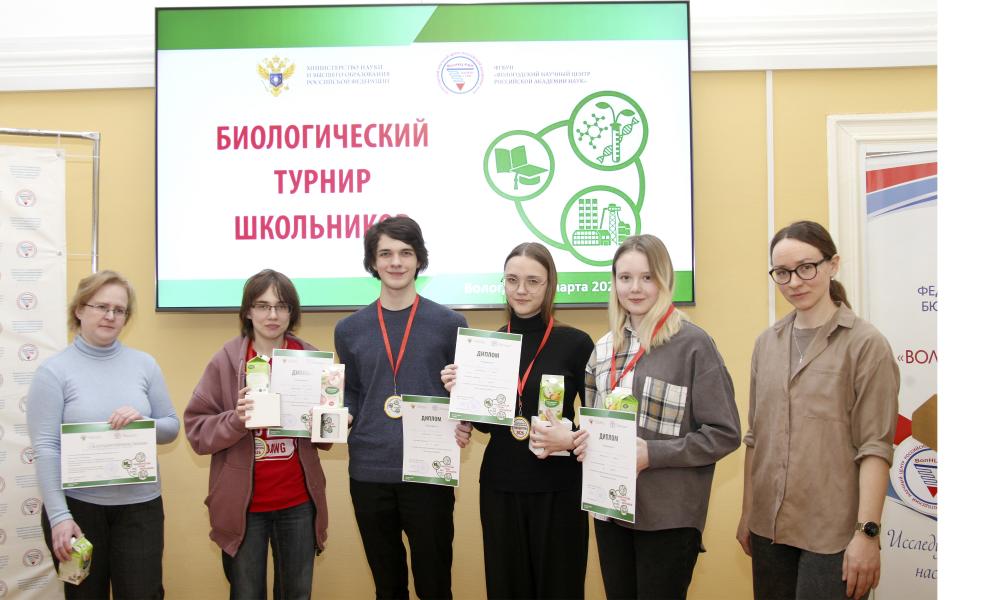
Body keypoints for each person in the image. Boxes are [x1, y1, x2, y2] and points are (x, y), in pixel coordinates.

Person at [736, 220, 899, 600]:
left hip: (834, 536)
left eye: (806, 267)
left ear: (832, 264)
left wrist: (867, 534)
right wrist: (748, 514)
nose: (794, 281)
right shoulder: (767, 344)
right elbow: (756, 438)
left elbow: (875, 448)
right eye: (782, 272)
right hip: (769, 530)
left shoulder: (866, 345)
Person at [572, 234, 741, 600]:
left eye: (647, 277)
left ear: (664, 280)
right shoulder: (604, 348)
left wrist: (653, 453)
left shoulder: (694, 344)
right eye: (625, 277)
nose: (635, 288)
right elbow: (594, 424)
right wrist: (579, 440)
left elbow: (725, 433)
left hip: (668, 517)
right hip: (611, 510)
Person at [440, 242, 593, 599]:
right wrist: (460, 393)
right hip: (501, 486)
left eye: (532, 281)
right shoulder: (488, 346)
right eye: (512, 280)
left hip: (559, 487)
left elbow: (597, 420)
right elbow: (488, 424)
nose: (521, 290)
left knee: (561, 587)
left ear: (549, 285)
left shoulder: (576, 343)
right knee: (506, 587)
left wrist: (571, 437)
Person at [334, 216, 468, 599]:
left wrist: (465, 420)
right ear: (373, 262)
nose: (396, 262)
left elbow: (463, 392)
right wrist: (338, 414)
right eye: (386, 254)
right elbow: (352, 392)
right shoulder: (349, 329)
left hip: (430, 471)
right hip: (370, 470)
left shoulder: (450, 323)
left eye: (406, 253)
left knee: (434, 584)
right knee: (387, 585)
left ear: (419, 259)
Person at [27, 270, 179, 599]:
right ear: (79, 309)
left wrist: (144, 423)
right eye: (101, 306)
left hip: (141, 510)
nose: (110, 316)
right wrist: (60, 517)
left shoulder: (145, 365)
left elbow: (171, 427)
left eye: (119, 310)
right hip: (78, 510)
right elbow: (46, 448)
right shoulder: (53, 371)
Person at [185, 269, 330, 599]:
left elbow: (323, 440)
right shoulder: (226, 360)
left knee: (297, 594)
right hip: (244, 508)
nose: (272, 315)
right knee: (246, 594)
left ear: (292, 312)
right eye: (263, 306)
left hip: (298, 503)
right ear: (248, 311)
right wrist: (236, 420)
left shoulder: (310, 359)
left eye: (281, 306)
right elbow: (196, 432)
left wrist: (330, 420)